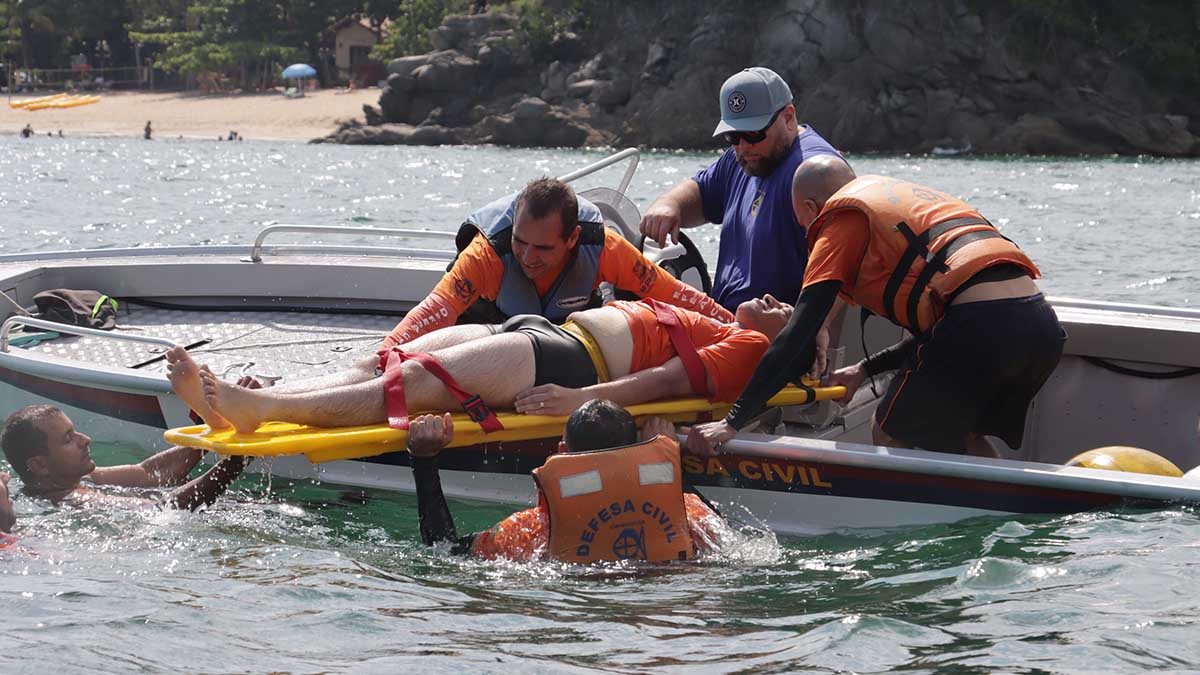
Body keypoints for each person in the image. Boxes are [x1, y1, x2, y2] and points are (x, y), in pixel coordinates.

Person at [687, 156, 1066, 458]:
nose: (809, 236)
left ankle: (910, 533)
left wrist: (732, 423)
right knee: (962, 434)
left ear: (810, 207)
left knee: (888, 427)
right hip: (1041, 328)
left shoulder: (840, 219)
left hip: (983, 327)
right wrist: (863, 370)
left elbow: (798, 329)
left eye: (803, 226)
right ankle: (1001, 520)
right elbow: (945, 333)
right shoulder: (902, 200)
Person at [171, 293, 793, 435]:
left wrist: (581, 401)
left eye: (785, 309)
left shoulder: (757, 349)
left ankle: (265, 411)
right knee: (385, 359)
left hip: (573, 360)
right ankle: (245, 401)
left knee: (415, 382)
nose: (772, 299)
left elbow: (670, 380)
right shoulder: (723, 320)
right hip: (544, 333)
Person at [382, 177, 734, 349]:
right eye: (521, 242)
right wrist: (384, 361)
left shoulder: (604, 247)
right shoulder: (488, 252)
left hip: (564, 335)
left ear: (572, 238)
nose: (528, 257)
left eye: (543, 248)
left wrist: (736, 331)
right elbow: (434, 312)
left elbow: (675, 295)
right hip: (488, 330)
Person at [639, 67, 848, 313]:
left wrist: (808, 331)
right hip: (725, 322)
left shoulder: (815, 172)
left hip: (772, 330)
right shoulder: (745, 158)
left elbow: (844, 261)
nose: (743, 147)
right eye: (733, 136)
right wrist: (668, 204)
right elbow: (702, 193)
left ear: (788, 118)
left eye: (754, 133)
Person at [409, 400, 722, 562]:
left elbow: (442, 549)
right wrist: (667, 462)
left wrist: (424, 460)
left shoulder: (534, 530)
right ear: (635, 451)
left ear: (561, 452)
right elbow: (736, 540)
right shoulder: (688, 514)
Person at [1, 405, 246, 511]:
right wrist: (234, 462)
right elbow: (165, 510)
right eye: (68, 439)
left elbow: (148, 473)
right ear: (40, 465)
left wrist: (215, 428)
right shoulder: (73, 499)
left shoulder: (81, 478)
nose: (85, 439)